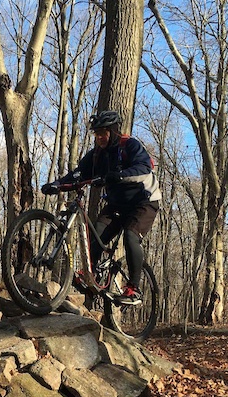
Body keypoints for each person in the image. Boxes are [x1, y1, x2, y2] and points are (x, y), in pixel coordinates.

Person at [42, 110, 160, 304]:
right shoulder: (97, 154)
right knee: (95, 234)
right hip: (117, 204)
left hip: (144, 201)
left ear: (113, 131)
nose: (99, 138)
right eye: (96, 134)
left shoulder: (129, 145)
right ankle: (92, 276)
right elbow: (78, 174)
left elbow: (144, 168)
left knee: (130, 237)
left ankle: (134, 288)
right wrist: (57, 185)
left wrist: (119, 175)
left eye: (103, 133)